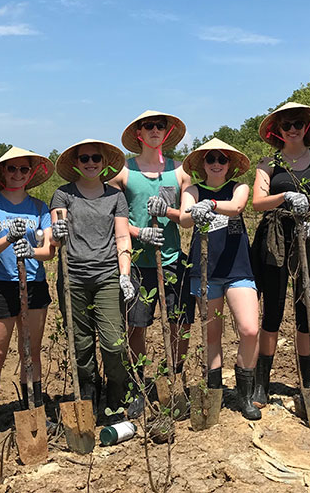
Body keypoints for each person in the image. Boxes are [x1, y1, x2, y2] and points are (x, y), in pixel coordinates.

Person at [251, 102, 310, 407]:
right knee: (273, 311)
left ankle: (308, 379)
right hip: (275, 238)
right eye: (286, 125)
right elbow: (257, 203)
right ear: (278, 130)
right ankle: (262, 382)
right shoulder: (268, 163)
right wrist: (284, 196)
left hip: (309, 240)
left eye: (297, 124)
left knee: (305, 312)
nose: (292, 129)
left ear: (307, 126)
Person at [110, 110, 195, 418]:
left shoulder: (180, 171)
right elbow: (110, 214)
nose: (155, 130)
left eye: (161, 126)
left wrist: (169, 211)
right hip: (137, 263)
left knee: (180, 324)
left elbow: (186, 219)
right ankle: (137, 386)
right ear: (139, 134)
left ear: (167, 131)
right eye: (149, 126)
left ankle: (177, 377)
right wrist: (137, 231)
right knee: (137, 327)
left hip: (172, 260)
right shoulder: (124, 172)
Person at [0, 146, 55, 455]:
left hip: (33, 286)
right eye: (12, 169)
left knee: (30, 353)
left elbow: (49, 250)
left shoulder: (39, 207)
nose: (18, 174)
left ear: (30, 174)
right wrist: (8, 239)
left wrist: (31, 251)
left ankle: (32, 411)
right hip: (0, 287)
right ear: (3, 173)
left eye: (24, 170)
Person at [50, 139, 133, 422]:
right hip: (72, 277)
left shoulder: (115, 196)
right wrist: (55, 230)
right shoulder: (63, 195)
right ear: (76, 163)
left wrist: (124, 274)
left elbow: (122, 235)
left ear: (104, 162)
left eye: (95, 158)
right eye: (84, 159)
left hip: (108, 275)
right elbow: (54, 233)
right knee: (81, 344)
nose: (90, 163)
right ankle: (88, 391)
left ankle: (115, 395)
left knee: (114, 343)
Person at [180, 138, 261, 420]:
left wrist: (211, 204)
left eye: (222, 159)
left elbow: (237, 207)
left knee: (250, 329)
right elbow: (184, 218)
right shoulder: (192, 189)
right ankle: (214, 390)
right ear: (202, 164)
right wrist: (194, 210)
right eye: (210, 159)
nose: (216, 163)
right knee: (212, 335)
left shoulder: (239, 187)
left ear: (230, 165)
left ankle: (245, 393)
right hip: (205, 269)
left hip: (238, 267)